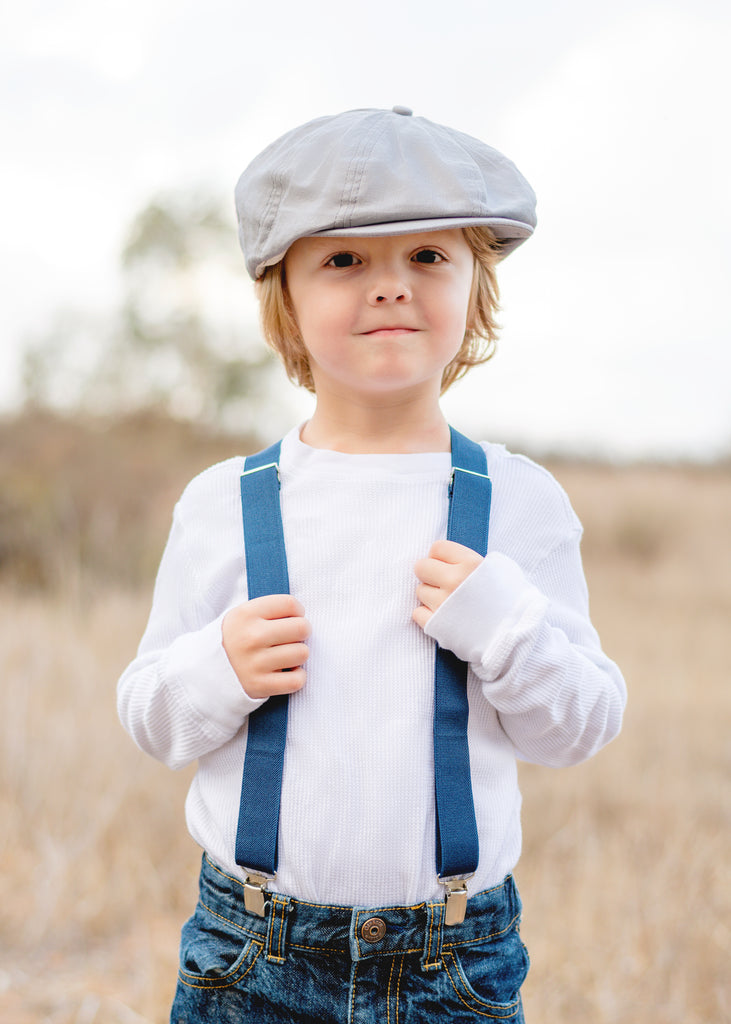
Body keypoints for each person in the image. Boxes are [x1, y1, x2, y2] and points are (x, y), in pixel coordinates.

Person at [117, 106, 627, 1023]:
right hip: (250, 956)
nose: (389, 286)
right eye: (345, 260)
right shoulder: (223, 503)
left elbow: (579, 727)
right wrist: (215, 669)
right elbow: (151, 720)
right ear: (284, 296)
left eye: (427, 257)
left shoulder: (518, 502)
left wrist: (507, 631)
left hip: (453, 965)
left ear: (475, 287)